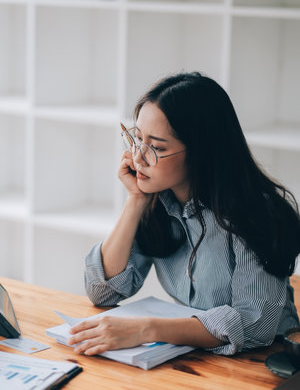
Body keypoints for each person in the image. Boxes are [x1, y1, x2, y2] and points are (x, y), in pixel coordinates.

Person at [68, 72, 300, 356]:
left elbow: (253, 324)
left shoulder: (256, 214)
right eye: (137, 139)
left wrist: (147, 329)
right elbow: (103, 292)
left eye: (156, 147)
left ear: (202, 152)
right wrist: (135, 200)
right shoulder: (158, 201)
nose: (138, 157)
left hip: (268, 359)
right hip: (193, 356)